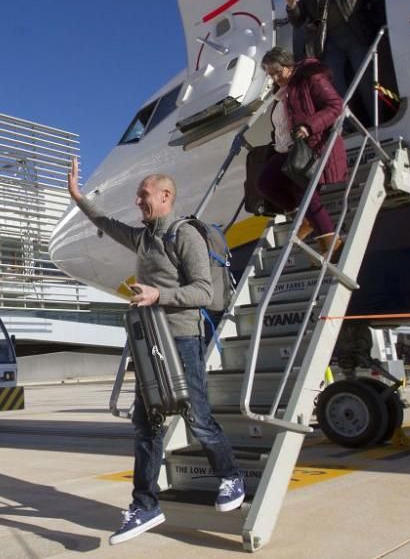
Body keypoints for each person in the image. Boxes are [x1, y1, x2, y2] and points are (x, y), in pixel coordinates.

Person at [66, 158, 244, 546]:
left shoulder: (184, 235)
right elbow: (106, 225)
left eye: (143, 195)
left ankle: (231, 476)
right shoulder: (144, 238)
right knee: (146, 426)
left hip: (181, 338)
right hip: (152, 342)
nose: (138, 201)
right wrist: (78, 197)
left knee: (196, 416)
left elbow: (204, 292)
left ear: (165, 196)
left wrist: (158, 294)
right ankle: (145, 504)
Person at [258, 47, 348, 258]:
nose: (274, 78)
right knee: (265, 182)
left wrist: (309, 126)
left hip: (310, 146)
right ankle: (304, 219)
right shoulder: (280, 93)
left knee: (306, 193)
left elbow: (336, 106)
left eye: (277, 72)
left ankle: (331, 242)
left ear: (289, 66)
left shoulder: (310, 79)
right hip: (286, 149)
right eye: (270, 74)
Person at [284, 0, 382, 126]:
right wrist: (292, 6)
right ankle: (348, 127)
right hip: (329, 41)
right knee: (334, 87)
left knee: (366, 80)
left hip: (356, 33)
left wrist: (377, 23)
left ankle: (378, 122)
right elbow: (299, 21)